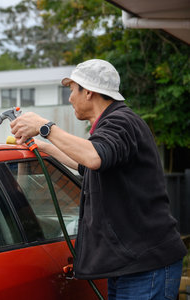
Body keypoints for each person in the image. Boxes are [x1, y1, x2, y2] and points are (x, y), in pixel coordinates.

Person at [10, 59, 187, 299]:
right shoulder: (112, 125)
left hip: (146, 267)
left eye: (72, 90)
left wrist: (45, 127)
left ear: (88, 91)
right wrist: (43, 147)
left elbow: (93, 157)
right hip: (131, 266)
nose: (70, 98)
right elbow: (87, 163)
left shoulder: (121, 122)